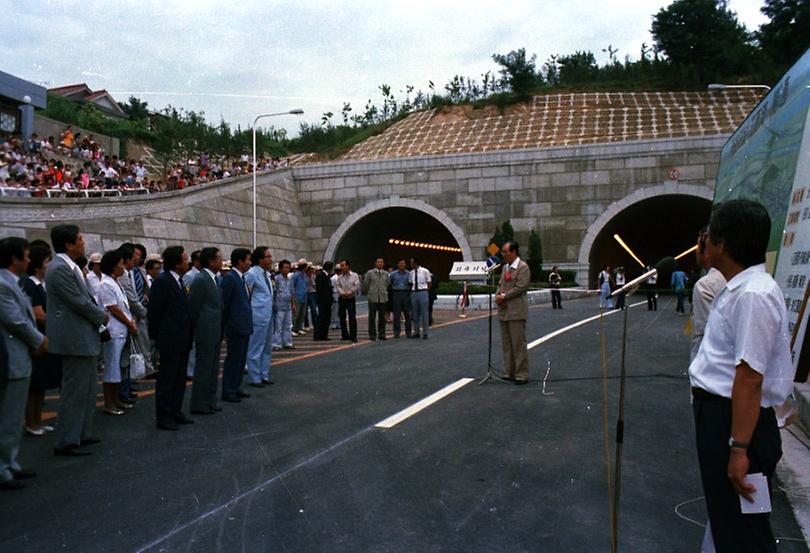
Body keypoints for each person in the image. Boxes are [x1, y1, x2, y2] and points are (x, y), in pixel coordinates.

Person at [689, 199, 794, 552]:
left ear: (722, 244)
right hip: (723, 419)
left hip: (732, 424)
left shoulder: (753, 295)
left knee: (745, 532)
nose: (703, 242)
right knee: (728, 522)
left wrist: (738, 449)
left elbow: (749, 379)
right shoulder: (739, 288)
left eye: (708, 235)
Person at [46, 224, 107, 456]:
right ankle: (67, 440)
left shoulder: (69, 267)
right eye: (80, 239)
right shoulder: (59, 269)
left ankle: (82, 432)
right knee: (73, 392)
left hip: (83, 337)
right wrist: (102, 316)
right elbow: (77, 301)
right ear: (69, 244)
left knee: (87, 390)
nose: (83, 242)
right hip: (74, 339)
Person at [0, 237, 47, 489]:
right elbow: (15, 321)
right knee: (7, 416)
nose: (29, 260)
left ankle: (10, 462)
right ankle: (2, 469)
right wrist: (40, 340)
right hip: (10, 357)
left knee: (12, 415)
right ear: (14, 258)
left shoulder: (12, 282)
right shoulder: (2, 284)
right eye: (26, 255)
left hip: (19, 357)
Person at [147, 246, 194, 430]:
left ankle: (176, 411)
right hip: (170, 339)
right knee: (167, 380)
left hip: (182, 338)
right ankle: (164, 416)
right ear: (176, 263)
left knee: (179, 378)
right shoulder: (163, 281)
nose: (187, 262)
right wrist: (157, 337)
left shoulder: (179, 281)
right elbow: (155, 312)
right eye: (184, 259)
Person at [19, 242, 61, 436]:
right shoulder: (29, 284)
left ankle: (37, 420)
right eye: (47, 261)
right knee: (34, 386)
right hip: (37, 342)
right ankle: (31, 422)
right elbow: (39, 315)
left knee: (41, 385)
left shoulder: (41, 285)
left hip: (45, 341)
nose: (49, 264)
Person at [98, 249, 136, 415]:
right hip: (114, 331)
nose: (123, 267)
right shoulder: (105, 284)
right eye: (120, 264)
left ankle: (116, 399)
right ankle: (109, 403)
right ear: (114, 266)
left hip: (122, 330)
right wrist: (129, 323)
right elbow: (113, 308)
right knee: (111, 368)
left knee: (118, 367)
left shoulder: (114, 282)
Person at [188, 247, 223, 415]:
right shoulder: (200, 280)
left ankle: (210, 399)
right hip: (205, 331)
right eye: (219, 258)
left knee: (212, 368)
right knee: (203, 369)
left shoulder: (214, 279)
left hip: (215, 330)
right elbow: (194, 308)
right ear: (210, 261)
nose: (221, 261)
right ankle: (199, 403)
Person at [496, 241, 531, 385]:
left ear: (514, 252)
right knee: (507, 344)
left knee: (518, 344)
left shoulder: (522, 267)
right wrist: (498, 295)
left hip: (516, 311)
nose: (503, 254)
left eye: (506, 252)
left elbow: (521, 287)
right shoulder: (505, 267)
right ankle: (509, 372)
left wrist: (504, 296)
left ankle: (521, 374)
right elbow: (500, 284)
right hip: (504, 310)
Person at [220, 248, 253, 403]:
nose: (249, 262)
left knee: (240, 359)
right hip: (235, 325)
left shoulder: (241, 278)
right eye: (248, 259)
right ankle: (228, 389)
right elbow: (225, 304)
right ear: (240, 261)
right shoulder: (230, 279)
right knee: (233, 359)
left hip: (243, 324)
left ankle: (236, 386)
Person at [691, 227, 727, 362]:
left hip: (709, 369)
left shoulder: (705, 286)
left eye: (697, 247)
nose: (695, 252)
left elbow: (706, 335)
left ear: (707, 250)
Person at [116, 244, 145, 404]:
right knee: (122, 360)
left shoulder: (128, 274)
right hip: (126, 322)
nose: (136, 259)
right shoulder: (120, 277)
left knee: (126, 358)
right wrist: (143, 315)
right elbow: (130, 301)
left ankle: (126, 388)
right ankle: (123, 391)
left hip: (130, 320)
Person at [245, 247, 274, 387]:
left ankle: (264, 374)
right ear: (260, 259)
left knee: (267, 346)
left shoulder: (267, 275)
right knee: (255, 346)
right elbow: (246, 295)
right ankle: (254, 377)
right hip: (258, 314)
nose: (271, 259)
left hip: (268, 314)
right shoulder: (252, 274)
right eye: (268, 256)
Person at [182, 250, 201, 379]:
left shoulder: (200, 275)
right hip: (192, 314)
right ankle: (190, 371)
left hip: (199, 314)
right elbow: (187, 295)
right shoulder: (190, 276)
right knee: (192, 345)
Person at [363, 257, 390, 341]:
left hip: (382, 298)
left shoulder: (386, 274)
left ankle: (382, 334)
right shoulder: (370, 273)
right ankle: (372, 335)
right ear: (375, 263)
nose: (380, 264)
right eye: (378, 262)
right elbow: (366, 284)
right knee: (372, 317)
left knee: (382, 317)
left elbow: (387, 284)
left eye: (382, 262)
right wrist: (369, 293)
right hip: (373, 298)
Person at [335, 260, 360, 343]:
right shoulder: (339, 277)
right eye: (340, 266)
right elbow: (338, 286)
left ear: (348, 266)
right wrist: (342, 293)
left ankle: (353, 336)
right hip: (342, 298)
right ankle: (344, 335)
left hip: (351, 298)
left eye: (343, 265)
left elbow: (357, 285)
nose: (341, 267)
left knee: (352, 317)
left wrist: (350, 292)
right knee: (342, 317)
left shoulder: (354, 275)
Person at [273, 260, 294, 350]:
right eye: (285, 267)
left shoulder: (290, 280)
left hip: (287, 305)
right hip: (279, 305)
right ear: (281, 269)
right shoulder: (276, 279)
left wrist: (293, 303)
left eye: (288, 267)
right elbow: (274, 292)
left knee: (287, 325)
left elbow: (292, 292)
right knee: (278, 326)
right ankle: (276, 343)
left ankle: (287, 342)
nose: (287, 269)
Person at [409, 258, 431, 339]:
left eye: (411, 262)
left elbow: (429, 282)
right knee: (415, 314)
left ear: (415, 263)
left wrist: (426, 291)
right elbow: (411, 283)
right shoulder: (411, 273)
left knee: (424, 313)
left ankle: (425, 333)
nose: (410, 264)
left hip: (423, 292)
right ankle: (416, 332)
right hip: (414, 292)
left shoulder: (425, 271)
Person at [389, 259, 412, 338]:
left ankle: (408, 332)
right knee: (396, 314)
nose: (402, 265)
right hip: (396, 293)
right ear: (398, 264)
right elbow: (389, 283)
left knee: (407, 314)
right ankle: (396, 332)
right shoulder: (393, 274)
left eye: (403, 263)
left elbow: (411, 283)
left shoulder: (409, 274)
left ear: (405, 265)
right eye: (400, 263)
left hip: (406, 293)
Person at [314, 262, 334, 341]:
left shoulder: (327, 276)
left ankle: (324, 335)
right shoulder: (320, 275)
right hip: (323, 301)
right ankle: (317, 336)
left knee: (327, 319)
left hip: (328, 301)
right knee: (321, 318)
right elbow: (319, 289)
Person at [291, 259, 309, 336]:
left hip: (304, 296)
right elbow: (292, 286)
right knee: (296, 314)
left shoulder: (305, 275)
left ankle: (299, 328)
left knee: (302, 314)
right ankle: (293, 329)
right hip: (297, 297)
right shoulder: (295, 275)